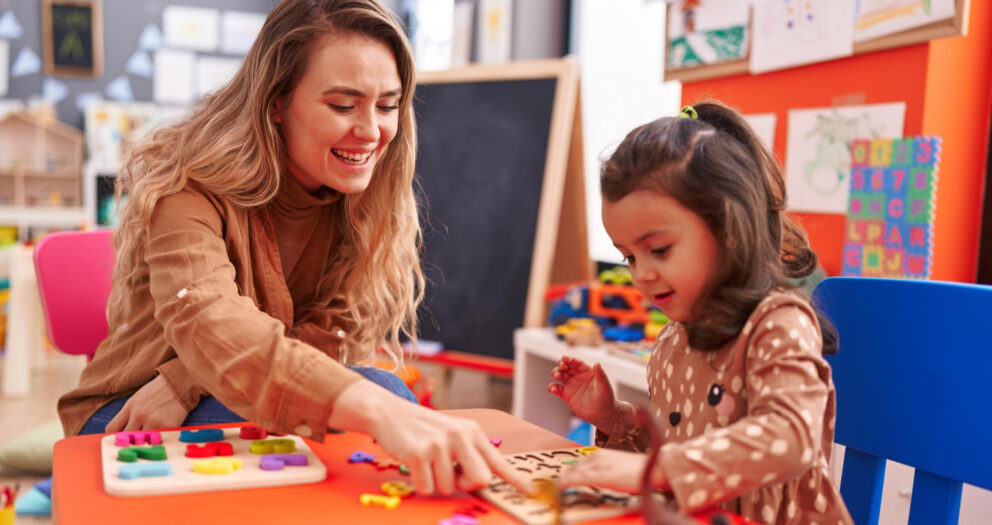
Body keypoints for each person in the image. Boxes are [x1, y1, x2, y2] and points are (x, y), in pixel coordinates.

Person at [57, 0, 529, 497]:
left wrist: (186, 379)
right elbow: (211, 323)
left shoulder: (362, 198)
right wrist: (382, 410)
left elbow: (328, 332)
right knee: (379, 397)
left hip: (212, 391)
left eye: (387, 105)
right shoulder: (186, 188)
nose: (371, 131)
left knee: (373, 407)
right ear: (276, 102)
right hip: (125, 412)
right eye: (343, 105)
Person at [547, 102, 853, 523]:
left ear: (728, 230)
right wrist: (613, 417)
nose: (643, 275)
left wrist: (654, 470)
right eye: (629, 258)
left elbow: (791, 436)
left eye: (658, 250)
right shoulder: (676, 334)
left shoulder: (779, 322)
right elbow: (680, 444)